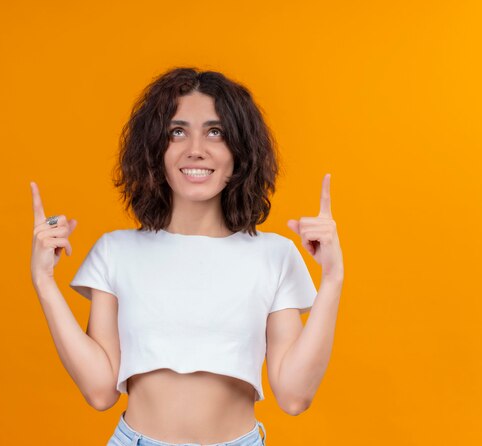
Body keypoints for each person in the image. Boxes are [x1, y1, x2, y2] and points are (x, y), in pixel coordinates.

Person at [30, 67, 344, 446]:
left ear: (240, 151)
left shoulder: (274, 255)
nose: (196, 148)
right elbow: (100, 392)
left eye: (216, 132)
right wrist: (45, 283)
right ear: (155, 151)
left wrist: (332, 279)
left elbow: (294, 397)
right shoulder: (116, 252)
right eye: (177, 132)